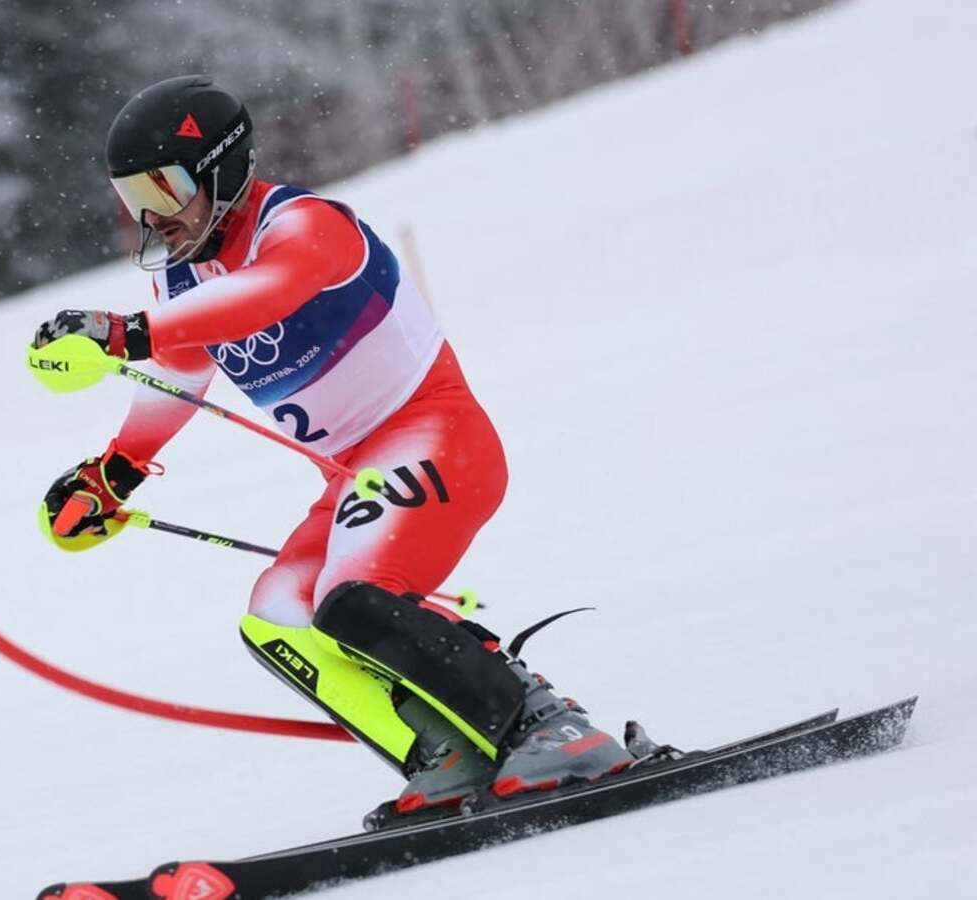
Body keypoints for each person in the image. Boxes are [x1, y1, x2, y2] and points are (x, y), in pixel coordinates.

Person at [31, 75, 633, 819]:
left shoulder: (307, 224)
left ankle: (552, 726)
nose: (153, 219)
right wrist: (114, 472)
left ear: (219, 169)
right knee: (278, 615)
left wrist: (125, 332)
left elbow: (268, 293)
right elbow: (180, 366)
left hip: (436, 438)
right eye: (134, 202)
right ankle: (449, 751)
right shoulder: (187, 278)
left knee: (356, 598)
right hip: (354, 479)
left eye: (164, 191)